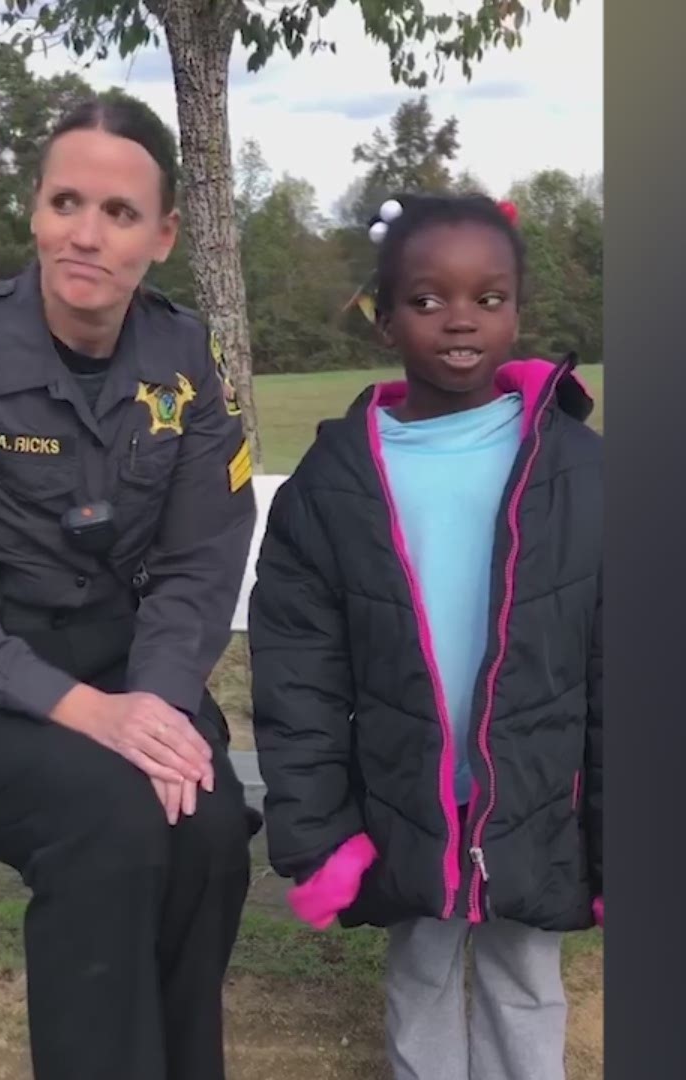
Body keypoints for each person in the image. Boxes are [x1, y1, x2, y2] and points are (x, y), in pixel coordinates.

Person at [0, 93, 258, 1080]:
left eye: (119, 214)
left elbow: (203, 558)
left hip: (123, 674)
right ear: (33, 210)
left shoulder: (184, 360)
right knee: (112, 823)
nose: (85, 235)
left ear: (163, 236)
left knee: (204, 826)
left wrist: (158, 708)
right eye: (65, 202)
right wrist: (97, 716)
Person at [247, 193, 603, 1080]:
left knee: (526, 977)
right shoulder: (331, 489)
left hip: (534, 791)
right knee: (422, 972)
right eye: (427, 298)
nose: (460, 320)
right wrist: (316, 833)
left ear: (519, 309)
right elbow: (299, 679)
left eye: (489, 299)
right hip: (406, 794)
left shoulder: (583, 475)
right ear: (384, 316)